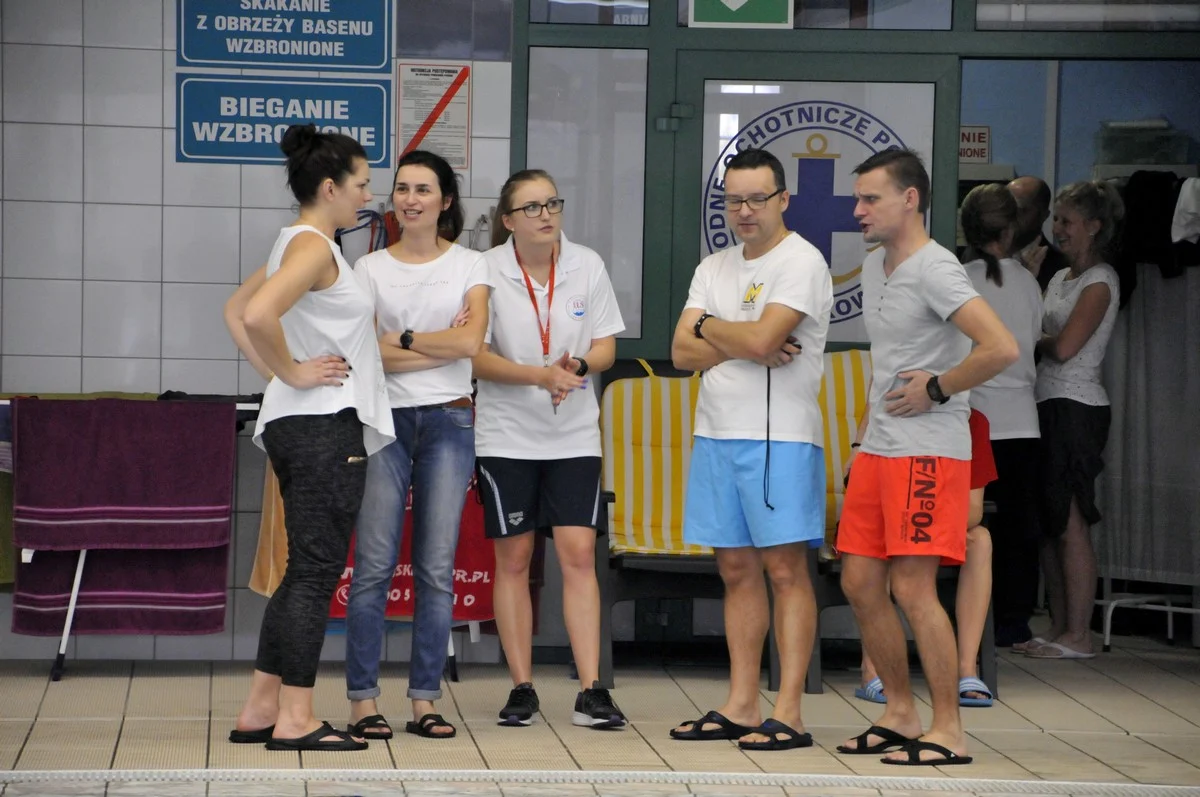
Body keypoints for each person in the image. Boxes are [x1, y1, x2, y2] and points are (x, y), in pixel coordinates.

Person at [834, 149, 1017, 766]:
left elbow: (1001, 347)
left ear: (910, 199)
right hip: (880, 448)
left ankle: (949, 731)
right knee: (860, 582)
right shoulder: (875, 265)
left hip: (928, 452)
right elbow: (887, 361)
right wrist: (862, 441)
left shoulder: (937, 269)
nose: (858, 211)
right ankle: (900, 713)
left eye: (870, 199)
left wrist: (939, 387)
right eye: (857, 199)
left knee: (913, 587)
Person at [223, 124, 394, 752]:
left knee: (303, 569)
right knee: (316, 572)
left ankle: (261, 708)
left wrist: (279, 378)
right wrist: (291, 373)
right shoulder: (315, 248)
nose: (367, 197)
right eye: (362, 185)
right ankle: (296, 718)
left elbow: (236, 311)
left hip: (300, 423)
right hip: (324, 423)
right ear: (329, 187)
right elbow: (257, 313)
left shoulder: (295, 243)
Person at [669, 148, 833, 752]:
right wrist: (739, 339)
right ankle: (742, 704)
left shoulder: (802, 261)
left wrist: (710, 327)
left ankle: (789, 712)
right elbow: (680, 352)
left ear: (783, 199)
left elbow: (766, 339)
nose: (744, 210)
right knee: (735, 571)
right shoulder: (713, 266)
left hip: (779, 437)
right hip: (716, 432)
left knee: (786, 572)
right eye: (733, 200)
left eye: (756, 199)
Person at [344, 150, 491, 741]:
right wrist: (436, 344)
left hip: (450, 420)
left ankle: (425, 699)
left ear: (445, 200)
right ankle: (362, 700)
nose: (410, 199)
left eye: (423, 189)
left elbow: (472, 344)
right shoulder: (368, 268)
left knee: (435, 567)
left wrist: (401, 339)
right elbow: (364, 352)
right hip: (384, 420)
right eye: (402, 188)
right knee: (374, 566)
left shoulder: (471, 264)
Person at [472, 169, 627, 730]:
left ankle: (591, 690)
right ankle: (521, 687)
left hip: (574, 434)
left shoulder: (587, 264)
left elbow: (606, 346)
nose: (546, 215)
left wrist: (578, 365)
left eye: (553, 204)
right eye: (532, 207)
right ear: (508, 220)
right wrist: (540, 375)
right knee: (514, 560)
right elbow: (475, 356)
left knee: (579, 556)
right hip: (506, 434)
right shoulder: (484, 270)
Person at [1022, 181, 1123, 660]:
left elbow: (1063, 347)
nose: (1057, 229)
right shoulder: (1061, 277)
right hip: (1045, 401)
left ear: (1095, 226)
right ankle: (1060, 626)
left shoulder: (1100, 281)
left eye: (1067, 221)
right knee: (1050, 521)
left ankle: (1080, 634)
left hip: (1076, 407)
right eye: (1057, 219)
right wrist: (1027, 283)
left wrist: (1030, 334)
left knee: (1071, 521)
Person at [853, 407, 999, 708]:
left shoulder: (972, 421)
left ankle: (966, 669)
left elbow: (974, 509)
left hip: (935, 528)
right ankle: (872, 670)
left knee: (981, 541)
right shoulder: (891, 414)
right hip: (891, 522)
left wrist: (925, 525)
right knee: (882, 536)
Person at [960, 184, 1045, 648]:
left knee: (972, 529)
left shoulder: (960, 280)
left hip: (972, 419)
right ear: (1012, 230)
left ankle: (968, 621)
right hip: (1022, 422)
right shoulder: (1029, 283)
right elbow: (1033, 341)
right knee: (1018, 529)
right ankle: (1013, 622)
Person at [1007, 176, 1068, 293]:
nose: (1010, 216)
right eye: (1006, 208)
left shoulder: (1061, 266)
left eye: (1020, 210)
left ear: (1044, 215)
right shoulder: (984, 256)